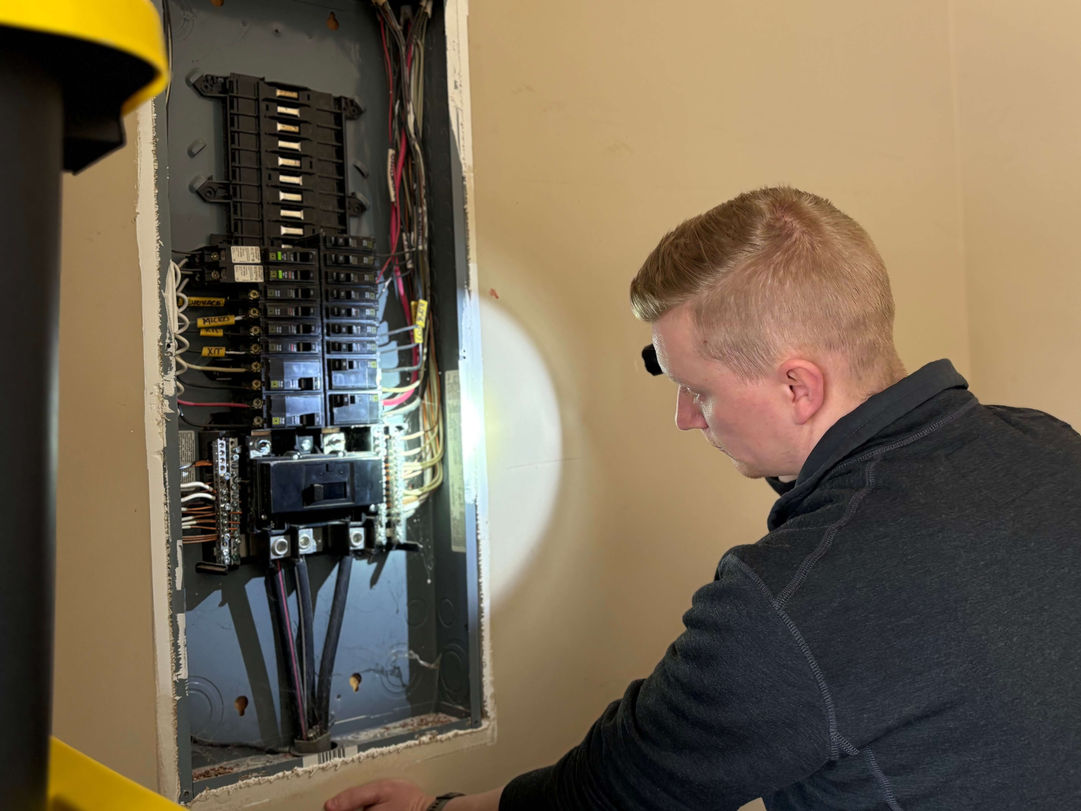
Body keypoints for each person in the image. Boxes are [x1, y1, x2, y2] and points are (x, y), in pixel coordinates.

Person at [326, 187, 1081, 810]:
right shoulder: (1048, 444)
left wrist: (438, 810)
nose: (686, 416)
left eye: (697, 390)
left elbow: (620, 788)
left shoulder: (788, 597)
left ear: (797, 385)